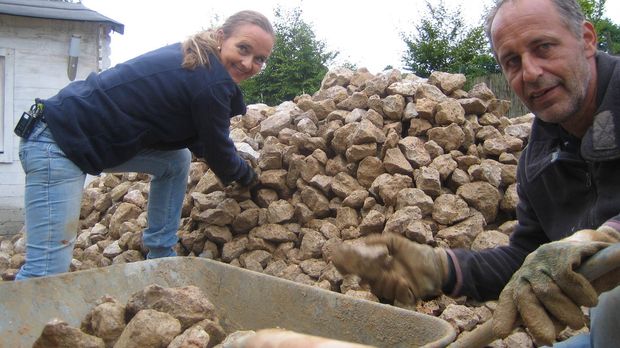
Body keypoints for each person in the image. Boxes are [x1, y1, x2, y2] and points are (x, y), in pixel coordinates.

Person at [332, 0, 620, 346]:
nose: (530, 72)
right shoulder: (540, 161)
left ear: (587, 39)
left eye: (544, 47)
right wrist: (440, 267)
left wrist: (602, 238)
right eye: (511, 61)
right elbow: (526, 259)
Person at [14, 10, 275, 280]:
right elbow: (218, 150)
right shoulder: (210, 80)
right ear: (222, 37)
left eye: (259, 59)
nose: (248, 63)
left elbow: (196, 133)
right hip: (56, 143)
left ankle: (161, 257)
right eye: (243, 48)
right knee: (45, 271)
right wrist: (248, 179)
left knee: (174, 161)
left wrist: (221, 158)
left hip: (81, 138)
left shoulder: (198, 61)